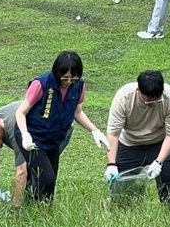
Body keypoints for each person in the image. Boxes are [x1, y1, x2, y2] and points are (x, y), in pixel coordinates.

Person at [14, 51, 108, 203]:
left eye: (73, 77)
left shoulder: (79, 86)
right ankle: (35, 210)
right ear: (57, 72)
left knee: (48, 180)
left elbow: (77, 112)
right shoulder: (41, 84)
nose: (69, 81)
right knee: (46, 178)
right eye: (65, 78)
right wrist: (25, 134)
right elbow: (20, 112)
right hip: (33, 138)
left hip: (54, 139)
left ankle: (39, 211)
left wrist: (94, 130)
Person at [103, 70, 170, 207]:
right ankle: (123, 212)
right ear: (138, 90)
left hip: (160, 141)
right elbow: (113, 134)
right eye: (147, 98)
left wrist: (159, 162)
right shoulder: (124, 97)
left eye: (155, 98)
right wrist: (111, 164)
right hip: (130, 142)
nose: (151, 102)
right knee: (122, 186)